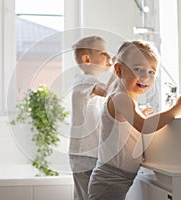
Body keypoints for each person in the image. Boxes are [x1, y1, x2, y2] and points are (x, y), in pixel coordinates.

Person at [88, 40, 181, 200]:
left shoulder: (124, 98)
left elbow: (127, 124)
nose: (145, 77)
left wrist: (140, 113)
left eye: (151, 72)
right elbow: (144, 126)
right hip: (109, 182)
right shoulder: (121, 97)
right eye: (138, 69)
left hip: (113, 180)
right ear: (119, 70)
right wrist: (177, 109)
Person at [69, 36, 114, 200]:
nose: (109, 57)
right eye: (104, 53)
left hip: (86, 153)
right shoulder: (84, 81)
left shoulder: (88, 82)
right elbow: (107, 90)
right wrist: (118, 68)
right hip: (84, 154)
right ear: (87, 59)